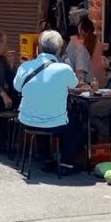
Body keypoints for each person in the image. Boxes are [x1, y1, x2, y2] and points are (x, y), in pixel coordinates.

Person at [15, 30, 82, 174]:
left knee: (41, 116)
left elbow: (17, 87)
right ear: (59, 49)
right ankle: (66, 164)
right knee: (74, 127)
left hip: (27, 120)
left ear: (38, 47)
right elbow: (75, 85)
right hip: (54, 123)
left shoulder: (25, 67)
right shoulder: (64, 69)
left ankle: (46, 160)